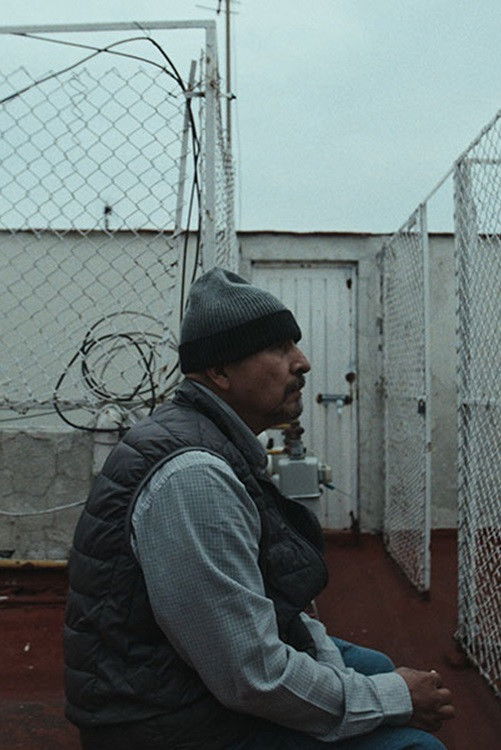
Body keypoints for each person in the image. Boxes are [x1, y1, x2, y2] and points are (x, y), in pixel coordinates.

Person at [64, 268, 454, 749]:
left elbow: (266, 613)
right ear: (220, 372)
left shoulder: (212, 439)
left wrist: (366, 685)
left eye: (295, 345)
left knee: (373, 668)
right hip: (161, 723)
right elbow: (252, 677)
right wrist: (391, 698)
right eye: (277, 347)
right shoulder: (194, 476)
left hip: (182, 683)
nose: (302, 362)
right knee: (415, 745)